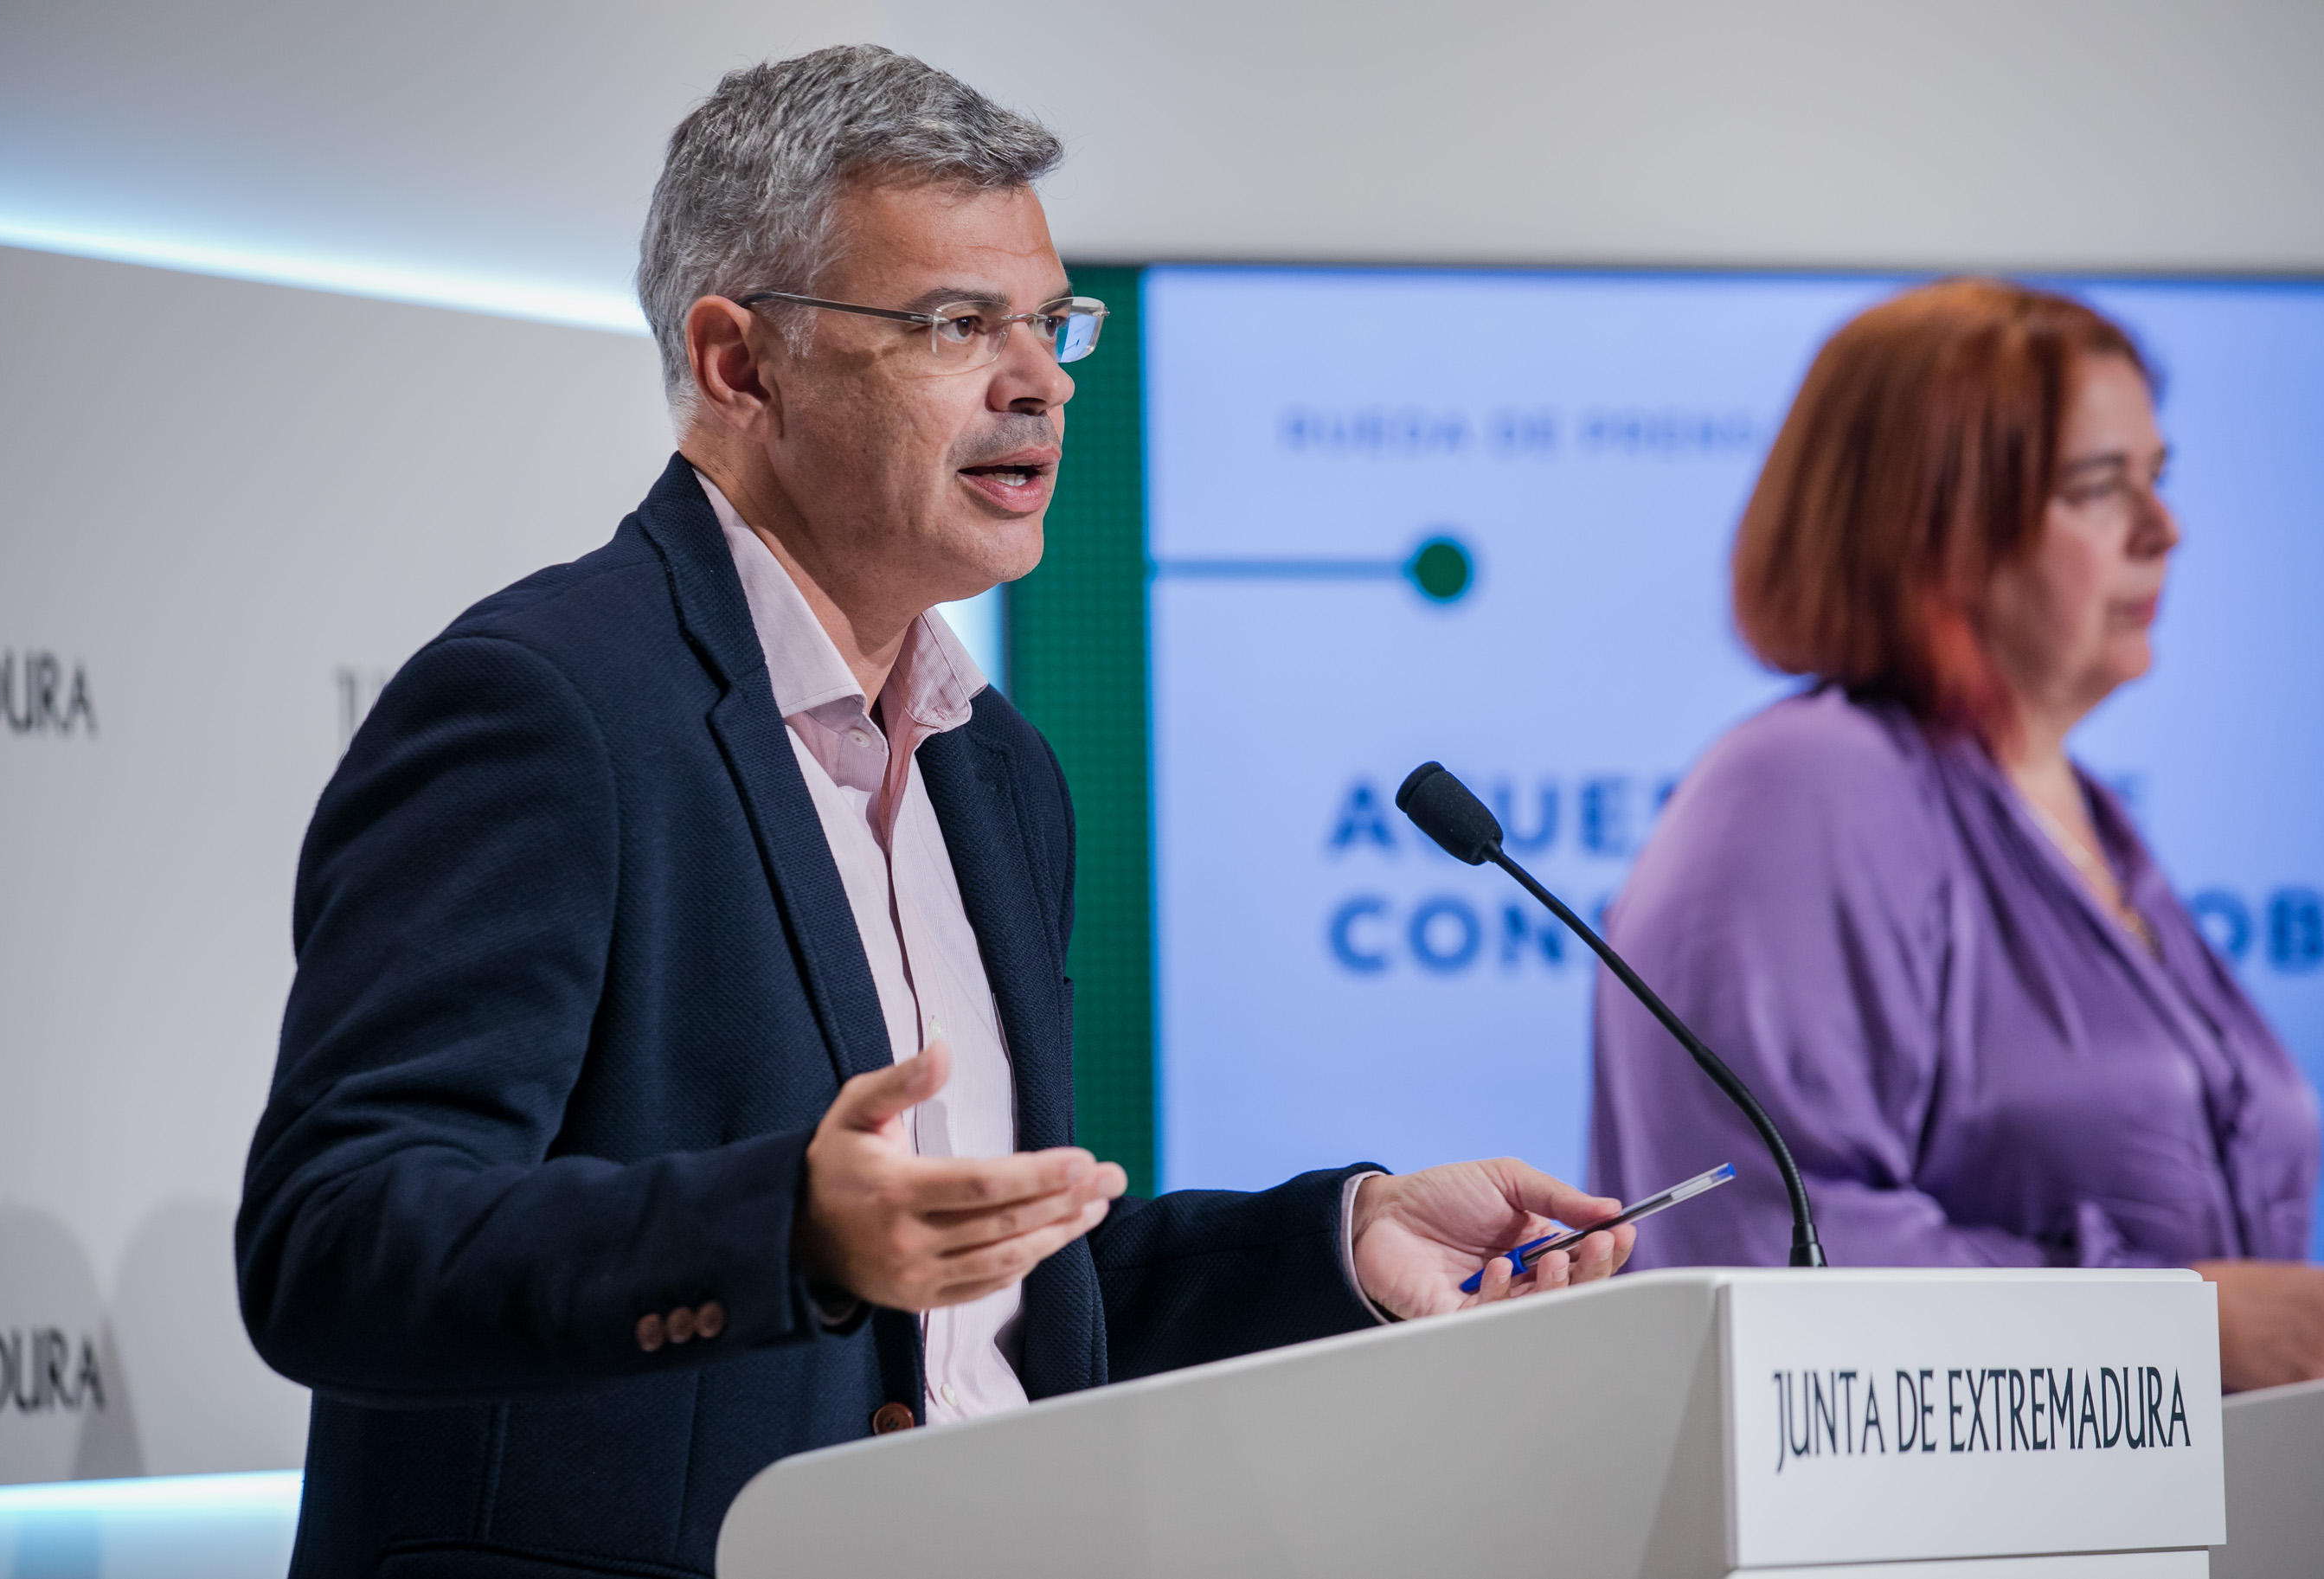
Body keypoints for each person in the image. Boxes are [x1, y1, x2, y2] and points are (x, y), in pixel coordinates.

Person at [236, 45, 1628, 1579]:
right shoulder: (547, 709)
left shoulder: (995, 769)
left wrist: (1338, 1239)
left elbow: (994, 1282)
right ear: (739, 362)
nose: (1036, 379)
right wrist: (784, 1232)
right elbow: (336, 1245)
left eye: (1046, 323)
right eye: (954, 324)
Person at [1589, 278, 2324, 1393]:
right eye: (2100, 489)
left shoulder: (2087, 812)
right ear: (1932, 527)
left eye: (2159, 478)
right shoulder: (1810, 785)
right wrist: (2178, 1331)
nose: (2165, 529)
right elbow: (1762, 1250)